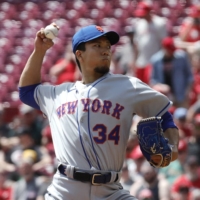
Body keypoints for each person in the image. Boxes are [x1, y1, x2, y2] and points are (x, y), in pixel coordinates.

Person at [18, 23, 179, 200]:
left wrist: (173, 146)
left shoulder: (128, 86)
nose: (106, 51)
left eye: (107, 46)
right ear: (79, 54)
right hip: (65, 190)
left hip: (110, 190)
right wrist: (39, 51)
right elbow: (26, 92)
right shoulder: (58, 94)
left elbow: (165, 116)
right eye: (97, 46)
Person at [150, 36, 193, 107]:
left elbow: (189, 76)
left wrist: (188, 91)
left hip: (181, 95)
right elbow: (153, 80)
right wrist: (161, 86)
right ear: (164, 48)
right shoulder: (156, 60)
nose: (172, 52)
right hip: (164, 98)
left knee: (181, 116)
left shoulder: (182, 57)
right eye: (169, 50)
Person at [133, 1, 167, 84]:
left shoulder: (159, 23)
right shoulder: (139, 24)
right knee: (140, 85)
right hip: (141, 60)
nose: (142, 16)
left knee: (151, 86)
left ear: (149, 12)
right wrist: (134, 60)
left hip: (154, 61)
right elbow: (136, 43)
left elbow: (163, 42)